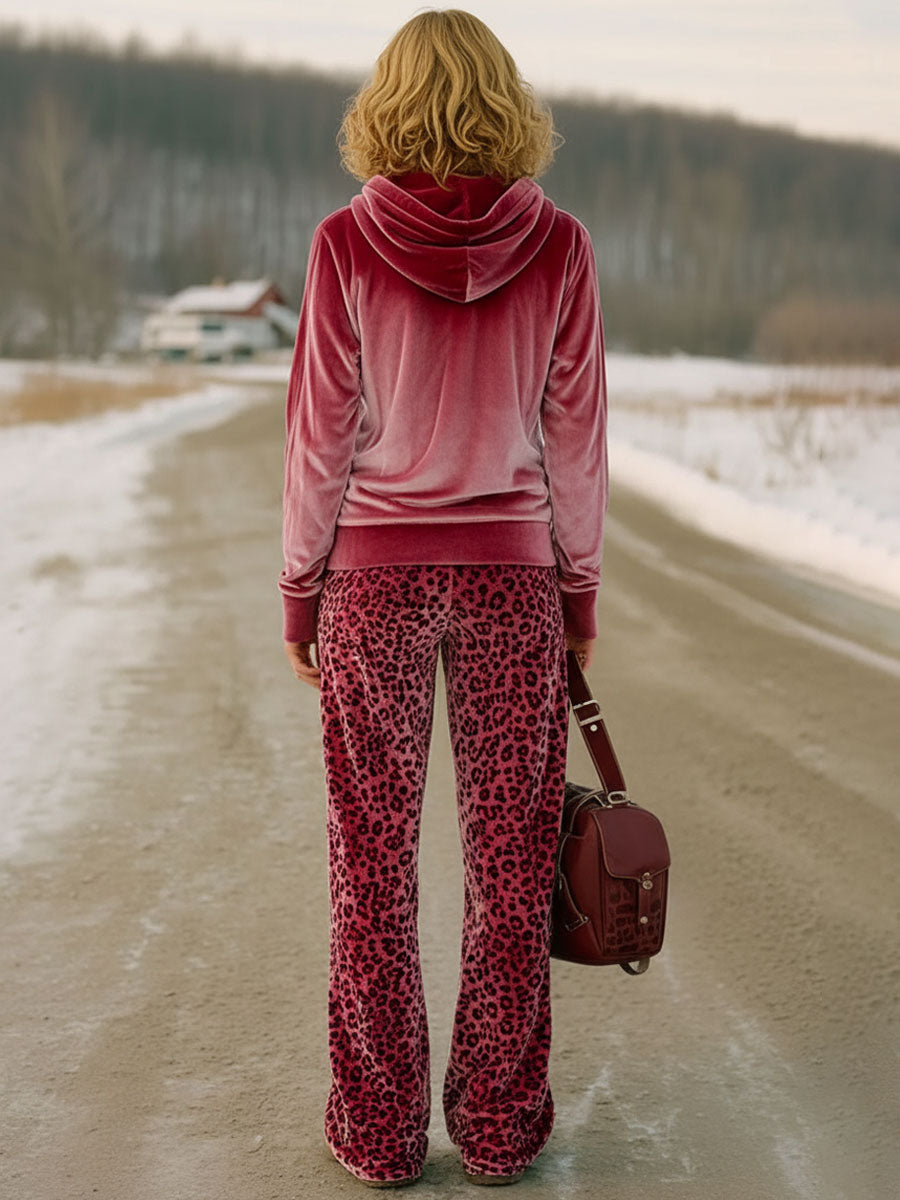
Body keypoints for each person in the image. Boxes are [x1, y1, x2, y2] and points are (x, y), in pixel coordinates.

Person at [279, 7, 608, 1189]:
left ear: (386, 103)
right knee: (513, 864)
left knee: (371, 863)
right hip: (514, 580)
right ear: (506, 101)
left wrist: (300, 593)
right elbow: (575, 438)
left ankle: (376, 1133)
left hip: (373, 579)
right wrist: (577, 592)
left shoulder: (343, 245)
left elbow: (319, 435)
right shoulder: (560, 246)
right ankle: (503, 1130)